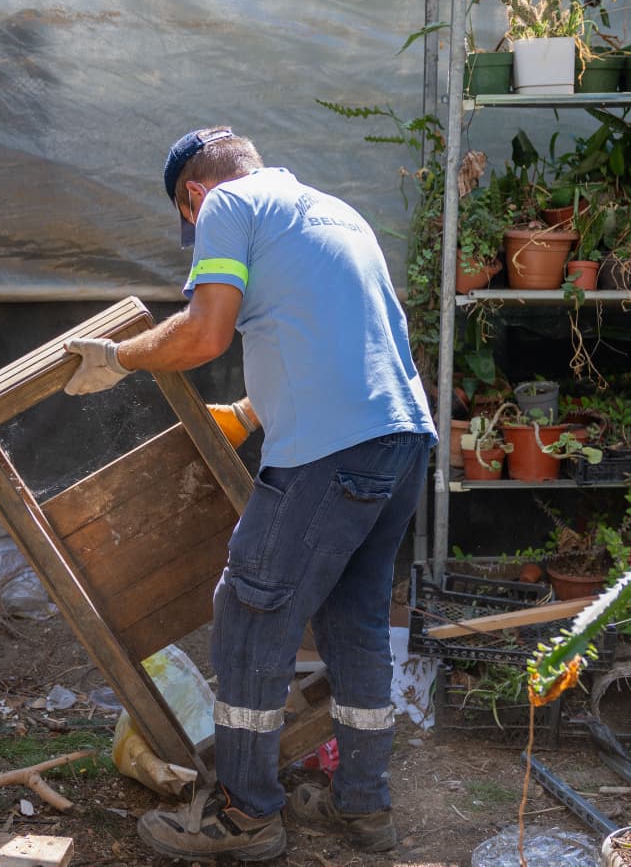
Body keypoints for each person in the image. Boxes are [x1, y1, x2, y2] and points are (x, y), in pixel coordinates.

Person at [63, 126, 435, 862]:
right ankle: (365, 807)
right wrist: (252, 409)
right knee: (354, 619)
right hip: (401, 439)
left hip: (330, 453)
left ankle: (245, 817)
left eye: (188, 220)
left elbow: (204, 335)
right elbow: (352, 333)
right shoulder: (332, 211)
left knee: (247, 611)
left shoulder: (227, 205)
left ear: (193, 195)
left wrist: (121, 358)